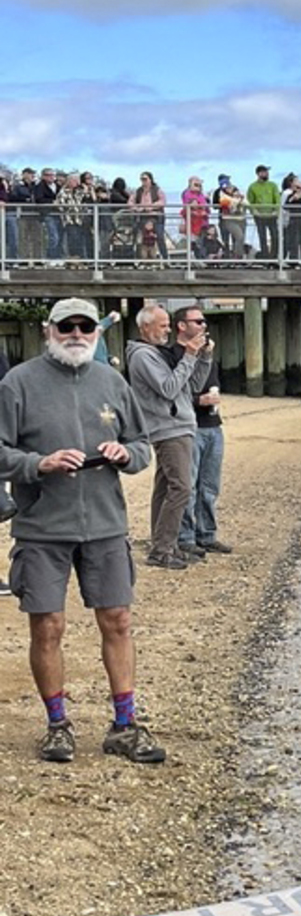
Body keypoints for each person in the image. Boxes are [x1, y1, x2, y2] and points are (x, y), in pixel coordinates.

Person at [0, 298, 164, 764]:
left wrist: (125, 454)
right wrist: (38, 464)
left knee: (118, 620)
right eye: (67, 326)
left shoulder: (112, 381)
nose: (76, 334)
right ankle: (57, 725)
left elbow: (142, 447)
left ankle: (125, 724)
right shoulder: (18, 383)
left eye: (85, 326)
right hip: (41, 528)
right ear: (49, 330)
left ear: (97, 331)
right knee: (47, 625)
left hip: (105, 525)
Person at [126, 303, 212, 569]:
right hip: (169, 428)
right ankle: (162, 549)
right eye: (162, 325)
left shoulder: (157, 353)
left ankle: (165, 545)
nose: (167, 330)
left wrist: (203, 358)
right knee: (182, 488)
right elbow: (169, 388)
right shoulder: (143, 356)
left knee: (165, 489)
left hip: (177, 425)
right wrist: (189, 355)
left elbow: (193, 386)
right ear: (145, 327)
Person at [165, 309, 232, 557]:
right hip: (189, 428)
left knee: (210, 486)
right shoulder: (172, 356)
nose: (204, 324)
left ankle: (207, 535)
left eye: (204, 321)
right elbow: (171, 391)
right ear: (182, 326)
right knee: (187, 487)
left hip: (214, 425)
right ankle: (186, 538)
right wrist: (197, 400)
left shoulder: (207, 355)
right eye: (198, 321)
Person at [246, 164, 280, 258]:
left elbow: (277, 199)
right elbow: (249, 201)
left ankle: (274, 256)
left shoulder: (272, 185)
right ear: (259, 174)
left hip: (272, 215)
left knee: (275, 236)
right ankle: (265, 257)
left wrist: (276, 210)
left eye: (267, 172)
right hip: (259, 216)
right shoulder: (252, 187)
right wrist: (254, 211)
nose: (266, 174)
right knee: (262, 237)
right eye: (264, 172)